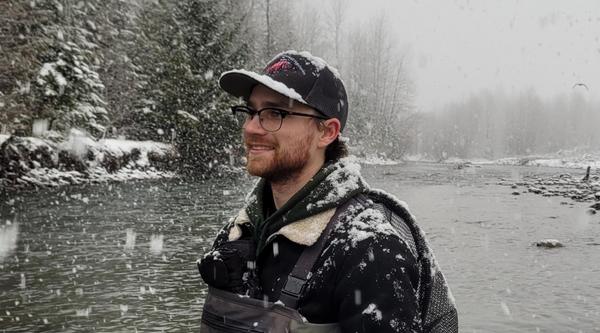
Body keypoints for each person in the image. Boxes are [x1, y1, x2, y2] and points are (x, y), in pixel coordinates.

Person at [198, 50, 458, 333]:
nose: (251, 127)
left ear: (327, 132)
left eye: (274, 113)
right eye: (249, 111)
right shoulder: (239, 231)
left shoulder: (369, 249)